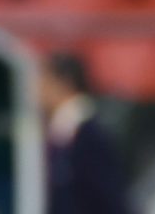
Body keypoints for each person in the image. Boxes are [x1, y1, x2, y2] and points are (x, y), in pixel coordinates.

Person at [38, 51, 129, 214]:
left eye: (44, 81)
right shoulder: (63, 132)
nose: (37, 90)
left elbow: (108, 197)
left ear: (63, 83)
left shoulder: (87, 136)